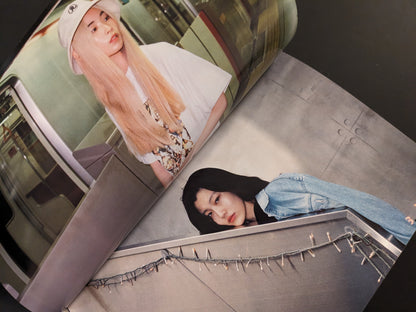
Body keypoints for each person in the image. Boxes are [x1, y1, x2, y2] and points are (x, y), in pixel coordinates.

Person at [58, 0, 231, 187]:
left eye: (106, 17)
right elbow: (159, 168)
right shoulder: (114, 103)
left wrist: (192, 161)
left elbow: (219, 102)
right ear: (79, 53)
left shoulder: (160, 54)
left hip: (223, 156)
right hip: (194, 188)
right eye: (93, 29)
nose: (107, 27)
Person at [182, 168, 416, 245]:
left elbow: (356, 201)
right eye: (210, 214)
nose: (221, 213)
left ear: (229, 186)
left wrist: (407, 234)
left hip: (384, 247)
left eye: (217, 199)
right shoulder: (249, 240)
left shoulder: (280, 191)